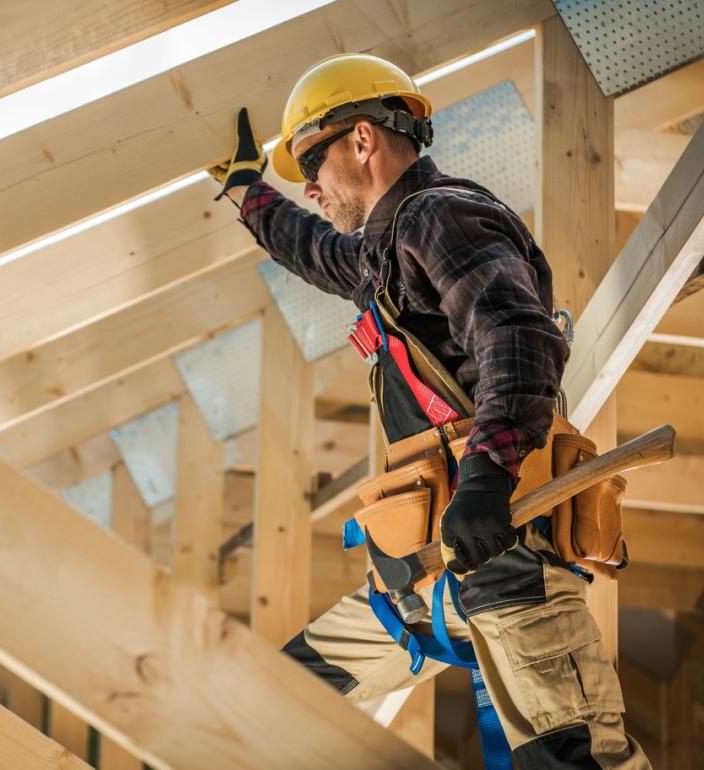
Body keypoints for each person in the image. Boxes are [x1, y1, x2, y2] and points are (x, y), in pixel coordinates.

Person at [210, 53, 648, 768]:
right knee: (269, 699)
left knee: (574, 761)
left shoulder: (442, 217)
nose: (312, 188)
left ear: (361, 140)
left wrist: (484, 479)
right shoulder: (383, 251)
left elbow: (517, 335)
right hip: (424, 580)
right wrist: (245, 192)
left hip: (506, 563)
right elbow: (315, 251)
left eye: (311, 163)